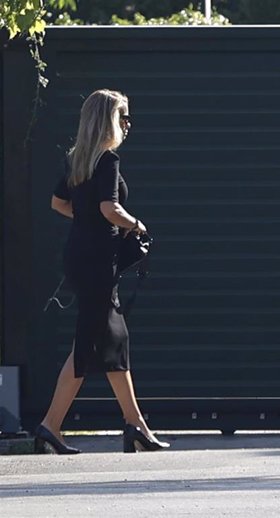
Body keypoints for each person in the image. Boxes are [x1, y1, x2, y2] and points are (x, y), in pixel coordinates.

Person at [35, 89, 169, 454]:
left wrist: (88, 220)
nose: (128, 124)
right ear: (110, 120)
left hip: (81, 257)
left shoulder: (77, 159)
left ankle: (132, 424)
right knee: (95, 342)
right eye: (124, 117)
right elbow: (110, 208)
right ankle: (54, 426)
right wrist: (137, 224)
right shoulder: (107, 160)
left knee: (110, 339)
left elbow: (58, 202)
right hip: (98, 263)